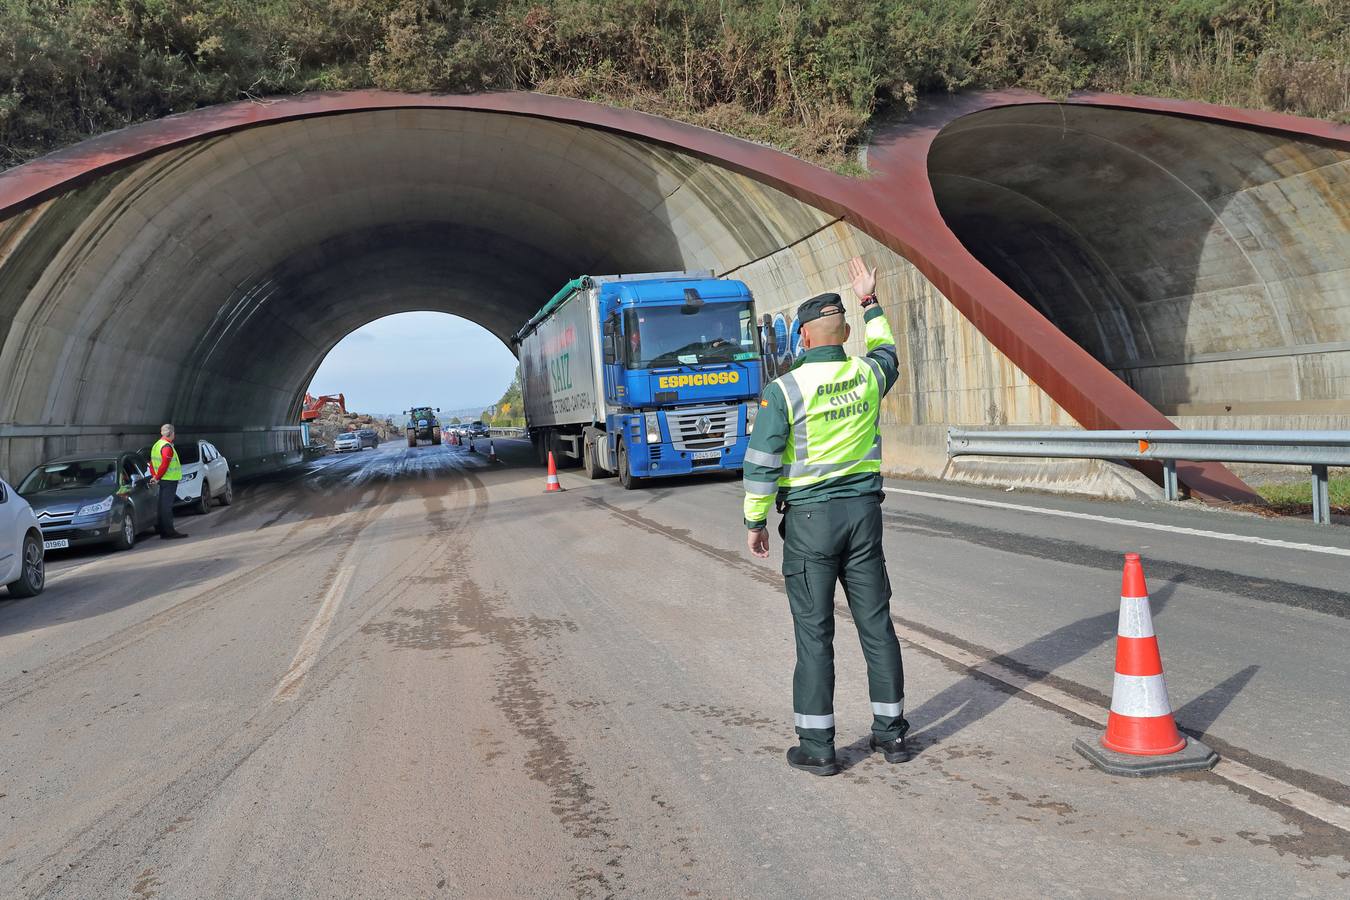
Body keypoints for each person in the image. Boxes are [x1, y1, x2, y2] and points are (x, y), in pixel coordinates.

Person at [742, 256, 907, 777]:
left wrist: (755, 521)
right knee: (876, 627)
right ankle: (893, 736)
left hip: (812, 523)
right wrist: (870, 299)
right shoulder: (866, 374)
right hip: (864, 517)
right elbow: (888, 353)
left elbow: (762, 461)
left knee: (814, 635)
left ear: (804, 339)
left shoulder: (785, 389)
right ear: (843, 334)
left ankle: (818, 747)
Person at [149, 424, 188, 540]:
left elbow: (151, 463)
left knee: (162, 506)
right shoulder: (167, 447)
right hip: (169, 480)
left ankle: (163, 532)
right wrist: (157, 477)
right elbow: (165, 464)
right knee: (167, 507)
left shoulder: (157, 445)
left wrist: (154, 476)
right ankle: (169, 532)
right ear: (171, 434)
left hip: (162, 480)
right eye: (174, 433)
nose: (174, 435)